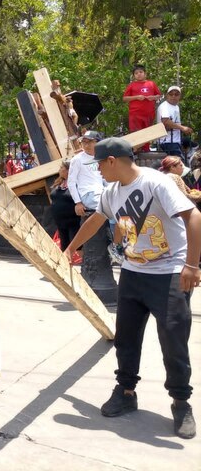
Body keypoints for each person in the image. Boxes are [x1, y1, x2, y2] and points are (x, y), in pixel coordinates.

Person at [67, 137, 199, 439]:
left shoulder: (156, 183)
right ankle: (126, 391)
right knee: (126, 338)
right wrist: (70, 248)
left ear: (112, 161)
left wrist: (191, 266)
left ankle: (181, 402)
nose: (98, 170)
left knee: (173, 340)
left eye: (99, 164)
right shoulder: (111, 192)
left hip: (168, 273)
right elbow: (95, 221)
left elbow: (195, 217)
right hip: (133, 271)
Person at [67, 130, 117, 302]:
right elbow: (71, 182)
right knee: (108, 209)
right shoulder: (77, 160)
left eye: (90, 141)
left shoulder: (102, 158)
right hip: (88, 195)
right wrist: (77, 202)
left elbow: (105, 180)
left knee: (116, 207)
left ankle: (115, 240)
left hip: (101, 192)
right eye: (84, 142)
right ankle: (115, 243)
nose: (86, 145)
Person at [122, 64, 161, 152]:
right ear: (134, 76)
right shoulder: (132, 85)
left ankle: (146, 150)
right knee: (136, 132)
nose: (139, 74)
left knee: (147, 132)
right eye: (136, 73)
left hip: (149, 113)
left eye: (141, 72)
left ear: (145, 73)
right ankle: (136, 150)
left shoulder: (151, 83)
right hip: (135, 114)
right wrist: (136, 97)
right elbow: (124, 98)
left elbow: (158, 95)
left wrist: (153, 97)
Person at [51, 160, 81, 252]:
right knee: (64, 247)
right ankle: (67, 266)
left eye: (61, 168)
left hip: (73, 221)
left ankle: (85, 264)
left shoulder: (76, 184)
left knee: (78, 246)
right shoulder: (59, 183)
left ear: (68, 170)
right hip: (60, 222)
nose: (59, 170)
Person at [158, 86, 193, 159]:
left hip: (175, 140)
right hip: (167, 141)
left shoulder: (176, 106)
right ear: (167, 95)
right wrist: (183, 128)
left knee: (192, 144)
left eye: (176, 94)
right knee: (177, 164)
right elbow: (166, 121)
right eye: (171, 94)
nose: (173, 96)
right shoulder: (164, 106)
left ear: (180, 96)